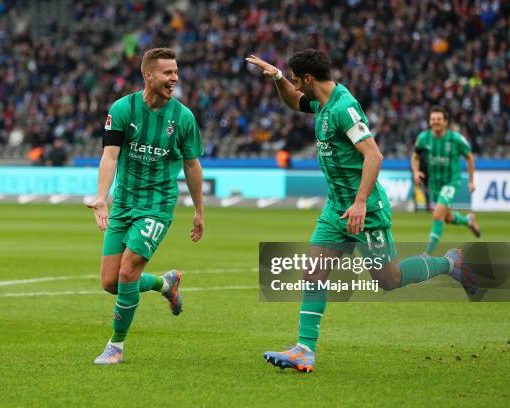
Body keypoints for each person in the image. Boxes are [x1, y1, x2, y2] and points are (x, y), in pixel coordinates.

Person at [247, 50, 476, 373]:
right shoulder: (320, 103)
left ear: (310, 79)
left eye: (298, 80)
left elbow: (374, 156)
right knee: (313, 270)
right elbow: (293, 102)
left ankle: (450, 262)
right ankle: (304, 349)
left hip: (365, 211)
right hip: (336, 209)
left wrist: (359, 202)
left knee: (389, 279)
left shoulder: (343, 108)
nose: (297, 86)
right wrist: (279, 78)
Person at [87, 48, 204, 365]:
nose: (175, 78)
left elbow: (192, 166)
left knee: (127, 272)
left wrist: (198, 210)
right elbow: (110, 155)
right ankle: (165, 283)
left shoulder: (183, 118)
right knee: (111, 282)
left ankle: (115, 346)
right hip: (124, 204)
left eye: (176, 72)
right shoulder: (122, 109)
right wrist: (102, 196)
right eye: (168, 73)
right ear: (148, 75)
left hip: (157, 206)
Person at [411, 107, 480, 254]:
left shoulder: (456, 139)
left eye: (439, 119)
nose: (435, 122)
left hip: (451, 181)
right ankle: (468, 220)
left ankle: (427, 254)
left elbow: (470, 158)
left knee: (437, 215)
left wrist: (471, 181)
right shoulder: (424, 138)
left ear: (445, 122)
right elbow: (415, 157)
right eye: (433, 119)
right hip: (434, 183)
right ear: (429, 121)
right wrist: (416, 172)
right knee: (447, 217)